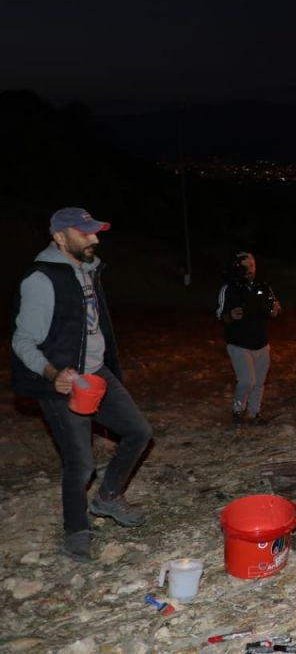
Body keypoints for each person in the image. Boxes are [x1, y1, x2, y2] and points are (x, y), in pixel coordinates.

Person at [10, 207, 153, 563]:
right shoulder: (43, 279)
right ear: (59, 237)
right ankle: (76, 531)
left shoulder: (87, 270)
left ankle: (107, 498)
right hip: (64, 381)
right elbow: (23, 340)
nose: (95, 238)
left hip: (96, 374)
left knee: (139, 431)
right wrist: (53, 374)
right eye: (85, 233)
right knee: (81, 463)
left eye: (95, 232)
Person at [216, 252, 280, 426]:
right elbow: (220, 315)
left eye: (252, 264)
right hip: (239, 343)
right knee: (246, 381)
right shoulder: (229, 288)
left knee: (258, 382)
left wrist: (275, 311)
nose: (250, 269)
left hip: (261, 342)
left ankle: (254, 414)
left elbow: (274, 307)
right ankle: (237, 411)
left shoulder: (263, 286)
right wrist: (230, 316)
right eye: (245, 266)